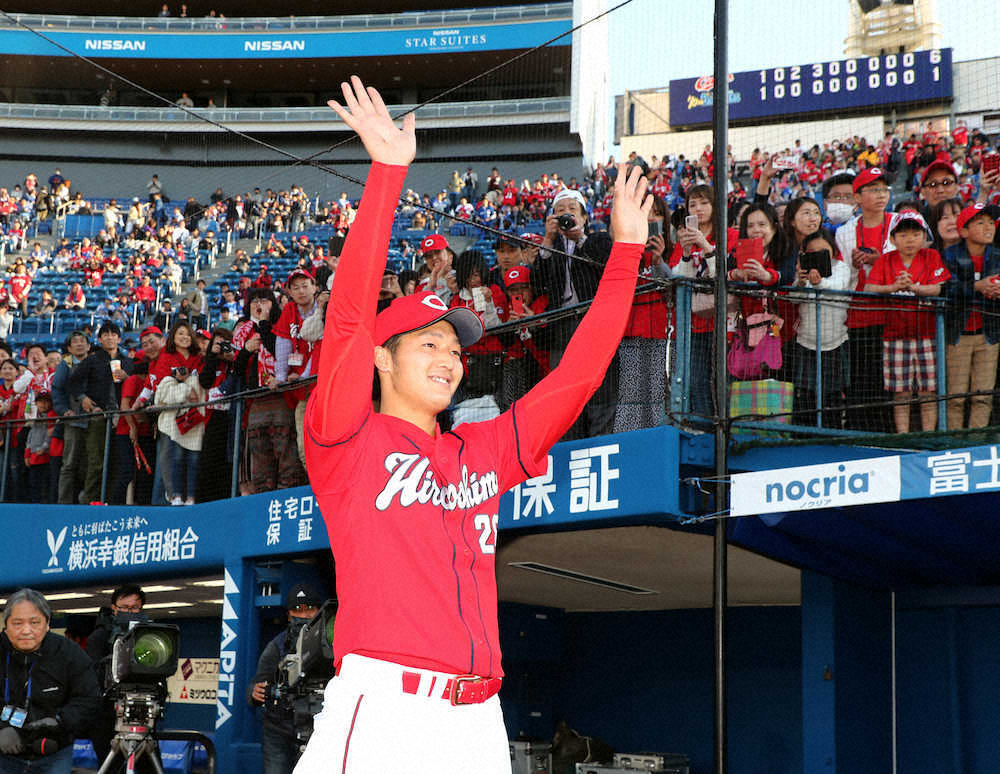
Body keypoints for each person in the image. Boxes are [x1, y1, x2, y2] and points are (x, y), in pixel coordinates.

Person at [294, 77, 650, 774]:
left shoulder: (482, 450)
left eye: (455, 349)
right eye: (428, 343)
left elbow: (578, 378)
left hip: (479, 718)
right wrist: (387, 173)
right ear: (382, 359)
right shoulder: (346, 440)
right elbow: (348, 319)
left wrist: (627, 254)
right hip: (386, 708)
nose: (449, 358)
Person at [865, 211, 950, 433]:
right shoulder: (885, 260)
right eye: (903, 235)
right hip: (894, 336)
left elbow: (938, 288)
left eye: (915, 234)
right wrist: (894, 287)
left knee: (928, 391)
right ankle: (903, 435)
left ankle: (929, 435)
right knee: (900, 392)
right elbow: (869, 288)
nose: (910, 240)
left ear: (924, 236)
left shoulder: (931, 256)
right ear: (893, 239)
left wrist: (914, 288)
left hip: (928, 334)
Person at [0, 589, 100, 774]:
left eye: (35, 622)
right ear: (6, 626)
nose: (26, 630)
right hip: (3, 754)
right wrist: (2, 728)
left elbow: (89, 698)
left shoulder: (69, 653)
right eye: (17, 623)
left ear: (47, 624)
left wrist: (60, 721)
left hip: (54, 753)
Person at [835, 168, 894, 432]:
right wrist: (857, 266)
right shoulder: (845, 232)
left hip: (895, 316)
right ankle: (861, 433)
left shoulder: (900, 223)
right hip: (858, 318)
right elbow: (843, 275)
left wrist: (880, 260)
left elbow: (910, 261)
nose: (881, 195)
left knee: (890, 381)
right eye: (873, 190)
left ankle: (889, 434)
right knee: (861, 381)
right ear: (857, 197)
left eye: (884, 189)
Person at [248, 585, 324, 774]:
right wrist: (254, 692)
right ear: (289, 615)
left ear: (319, 611)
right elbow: (257, 683)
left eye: (310, 608)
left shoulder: (330, 645)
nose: (304, 615)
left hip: (319, 728)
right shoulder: (276, 646)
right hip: (278, 730)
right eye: (297, 609)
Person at [84, 587, 158, 774]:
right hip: (106, 718)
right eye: (124, 607)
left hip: (142, 715)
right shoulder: (99, 637)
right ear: (114, 608)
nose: (129, 612)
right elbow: (91, 676)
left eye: (135, 608)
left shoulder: (149, 637)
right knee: (111, 769)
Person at [941, 203, 1000, 429]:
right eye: (981, 222)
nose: (989, 227)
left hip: (989, 335)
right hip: (958, 335)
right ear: (964, 231)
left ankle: (977, 441)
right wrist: (977, 286)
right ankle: (954, 443)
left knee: (983, 396)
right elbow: (946, 289)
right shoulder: (950, 255)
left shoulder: (997, 255)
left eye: (991, 222)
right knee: (955, 397)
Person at [69, 322, 133, 504]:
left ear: (119, 338)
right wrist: (83, 398)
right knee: (96, 462)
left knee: (117, 462)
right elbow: (73, 382)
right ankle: (90, 501)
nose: (110, 337)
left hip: (122, 418)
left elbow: (137, 385)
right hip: (99, 416)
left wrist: (128, 378)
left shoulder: (128, 362)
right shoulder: (92, 360)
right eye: (105, 334)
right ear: (99, 339)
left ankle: (111, 503)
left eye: (113, 334)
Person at [51, 332, 91, 504]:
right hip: (73, 420)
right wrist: (64, 410)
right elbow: (57, 390)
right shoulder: (65, 364)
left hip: (94, 419)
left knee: (91, 464)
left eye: (83, 341)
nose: (79, 344)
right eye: (75, 342)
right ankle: (64, 503)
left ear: (89, 346)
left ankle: (87, 500)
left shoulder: (95, 362)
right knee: (69, 464)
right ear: (69, 348)